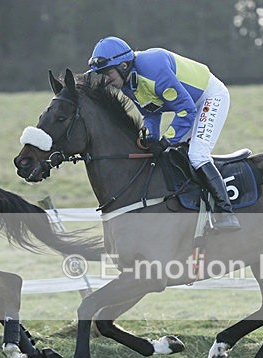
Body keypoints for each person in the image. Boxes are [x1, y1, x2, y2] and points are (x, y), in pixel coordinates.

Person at [87, 36, 240, 232]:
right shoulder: (126, 83)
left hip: (210, 97)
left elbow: (186, 111)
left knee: (197, 154)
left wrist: (167, 140)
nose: (105, 80)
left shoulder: (153, 68)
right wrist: (152, 138)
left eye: (107, 73)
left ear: (124, 65)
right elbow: (150, 113)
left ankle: (227, 213)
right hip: (190, 104)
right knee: (176, 154)